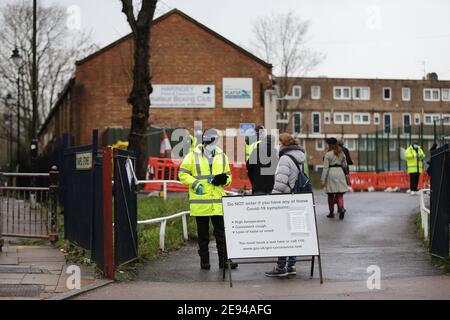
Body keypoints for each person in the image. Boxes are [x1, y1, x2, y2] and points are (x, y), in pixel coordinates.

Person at [178, 129, 237, 270]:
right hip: (201, 203)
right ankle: (205, 261)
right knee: (203, 236)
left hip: (217, 202)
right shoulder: (192, 156)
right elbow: (182, 174)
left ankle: (224, 261)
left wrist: (224, 180)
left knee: (221, 234)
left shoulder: (222, 156)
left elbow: (229, 177)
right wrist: (196, 184)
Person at [265, 133, 305, 277]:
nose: (278, 145)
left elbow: (281, 182)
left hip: (285, 200)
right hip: (297, 199)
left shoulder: (285, 158)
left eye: (280, 142)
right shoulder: (299, 157)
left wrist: (273, 200)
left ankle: (281, 267)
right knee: (292, 233)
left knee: (283, 234)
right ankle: (292, 265)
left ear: (285, 144)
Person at [321, 137, 348, 220]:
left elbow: (325, 167)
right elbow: (345, 165)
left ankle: (331, 212)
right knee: (340, 194)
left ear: (329, 145)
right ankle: (341, 208)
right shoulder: (341, 152)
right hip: (340, 172)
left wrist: (322, 179)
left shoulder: (328, 154)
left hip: (331, 173)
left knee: (330, 194)